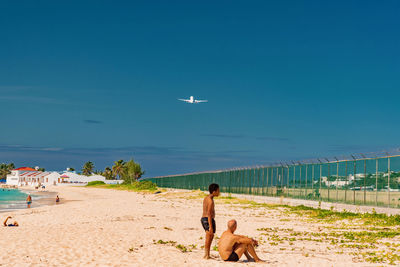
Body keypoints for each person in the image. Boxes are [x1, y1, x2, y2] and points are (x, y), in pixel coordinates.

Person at [201, 183, 220, 259]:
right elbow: (209, 214)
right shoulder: (210, 201)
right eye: (218, 191)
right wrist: (211, 226)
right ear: (214, 191)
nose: (219, 192)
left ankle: (207, 254)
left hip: (204, 218)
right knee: (209, 236)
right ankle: (206, 255)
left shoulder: (206, 198)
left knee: (210, 237)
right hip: (208, 219)